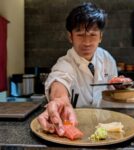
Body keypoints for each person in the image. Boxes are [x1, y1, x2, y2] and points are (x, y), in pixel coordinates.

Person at [38, 2, 118, 136]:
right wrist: (60, 99)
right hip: (75, 127)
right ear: (70, 37)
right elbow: (59, 78)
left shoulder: (107, 59)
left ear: (101, 36)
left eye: (92, 35)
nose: (87, 42)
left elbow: (112, 91)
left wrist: (120, 86)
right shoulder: (65, 63)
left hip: (106, 128)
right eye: (80, 35)